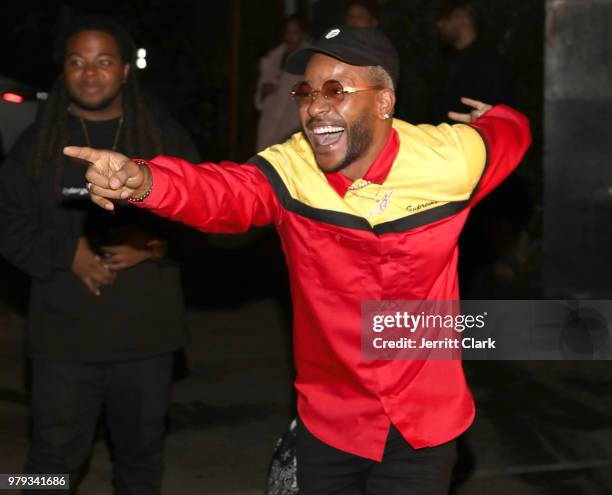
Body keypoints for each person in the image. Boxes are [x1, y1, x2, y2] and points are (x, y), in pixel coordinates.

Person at [67, 25, 530, 495]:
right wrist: (142, 182)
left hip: (425, 425)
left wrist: (499, 115)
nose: (315, 107)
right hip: (331, 424)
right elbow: (222, 194)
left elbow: (510, 137)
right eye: (306, 92)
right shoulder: (291, 169)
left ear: (385, 101)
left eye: (336, 90)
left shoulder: (448, 161)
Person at [0, 16, 199, 494]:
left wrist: (151, 246)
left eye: (104, 61)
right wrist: (67, 253)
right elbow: (7, 223)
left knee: (140, 458)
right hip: (62, 340)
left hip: (144, 337)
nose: (90, 72)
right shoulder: (38, 142)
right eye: (77, 62)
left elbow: (206, 215)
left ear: (126, 70)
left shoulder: (161, 136)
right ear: (64, 72)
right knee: (49, 463)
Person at [431, 0, 513, 123]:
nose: (439, 24)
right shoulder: (448, 61)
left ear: (463, 18)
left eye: (445, 18)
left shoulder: (490, 63)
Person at [254, 15, 308, 151]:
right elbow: (260, 94)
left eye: (294, 33)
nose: (290, 37)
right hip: (269, 122)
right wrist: (264, 92)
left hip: (293, 125)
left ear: (302, 34)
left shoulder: (310, 59)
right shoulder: (273, 58)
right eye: (287, 32)